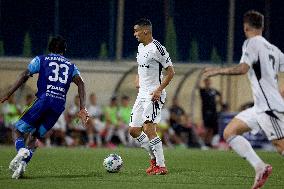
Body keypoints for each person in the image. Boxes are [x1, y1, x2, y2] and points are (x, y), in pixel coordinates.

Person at [203, 10, 284, 189]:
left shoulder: (251, 43)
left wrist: (217, 71)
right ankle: (260, 167)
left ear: (245, 27)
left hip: (269, 107)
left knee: (280, 147)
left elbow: (242, 69)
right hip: (261, 107)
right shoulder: (274, 49)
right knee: (230, 132)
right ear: (262, 26)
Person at [0, 36, 89, 179]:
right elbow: (81, 83)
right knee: (35, 136)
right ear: (64, 50)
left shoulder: (41, 60)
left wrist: (8, 93)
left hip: (43, 100)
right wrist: (83, 108)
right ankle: (22, 166)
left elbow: (24, 75)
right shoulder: (71, 65)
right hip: (58, 105)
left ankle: (21, 150)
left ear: (50, 48)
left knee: (17, 129)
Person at [129, 18, 175, 175]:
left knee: (149, 128)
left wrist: (159, 90)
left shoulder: (159, 49)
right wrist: (138, 78)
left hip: (153, 94)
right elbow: (141, 67)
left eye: (136, 31)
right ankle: (154, 159)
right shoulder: (141, 47)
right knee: (134, 130)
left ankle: (161, 165)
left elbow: (171, 72)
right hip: (141, 93)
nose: (134, 34)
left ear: (145, 31)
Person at [199, 78, 222, 147]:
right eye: (206, 82)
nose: (208, 83)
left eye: (209, 81)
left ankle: (209, 142)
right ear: (204, 82)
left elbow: (220, 94)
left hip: (214, 111)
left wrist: (219, 102)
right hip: (206, 112)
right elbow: (199, 87)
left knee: (212, 128)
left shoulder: (213, 90)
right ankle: (204, 142)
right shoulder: (203, 90)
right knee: (207, 128)